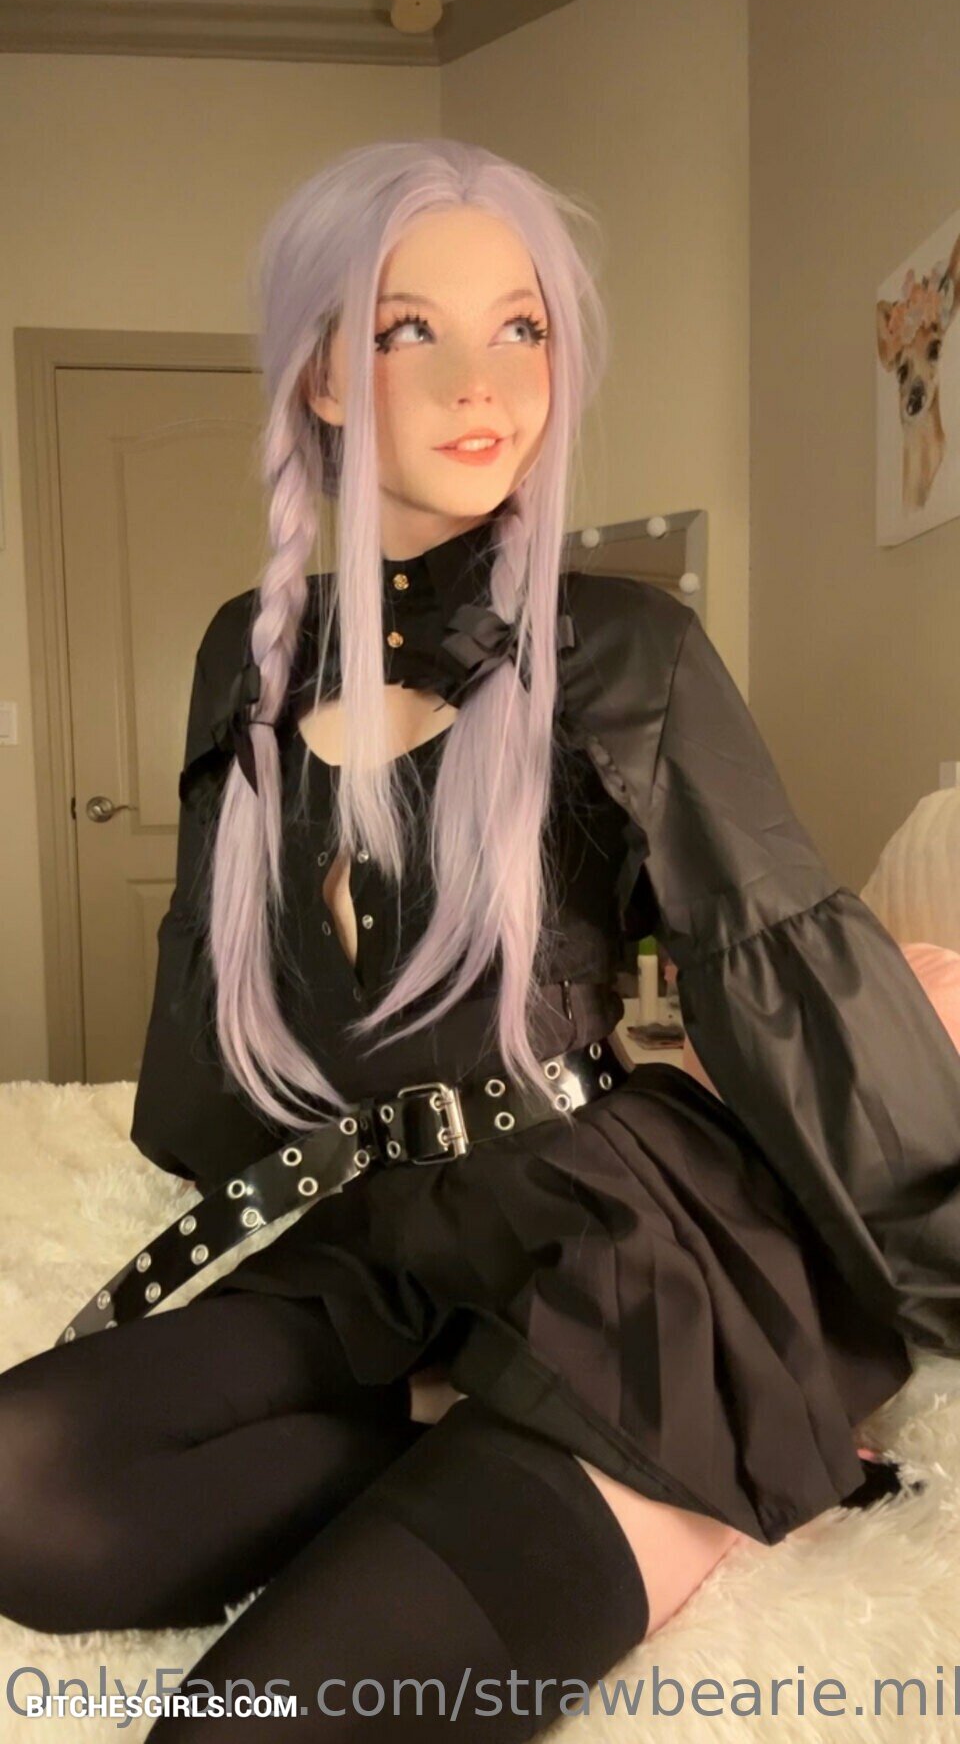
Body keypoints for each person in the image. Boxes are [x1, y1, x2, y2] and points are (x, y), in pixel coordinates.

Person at [0, 138, 958, 1741]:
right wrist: (213, 1181)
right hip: (392, 1228)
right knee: (26, 1492)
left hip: (615, 1248)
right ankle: (453, 1435)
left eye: (523, 328)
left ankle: (683, 1468)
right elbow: (212, 968)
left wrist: (913, 1264)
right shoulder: (246, 657)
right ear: (321, 373)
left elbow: (778, 963)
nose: (484, 381)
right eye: (409, 330)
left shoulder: (625, 647)